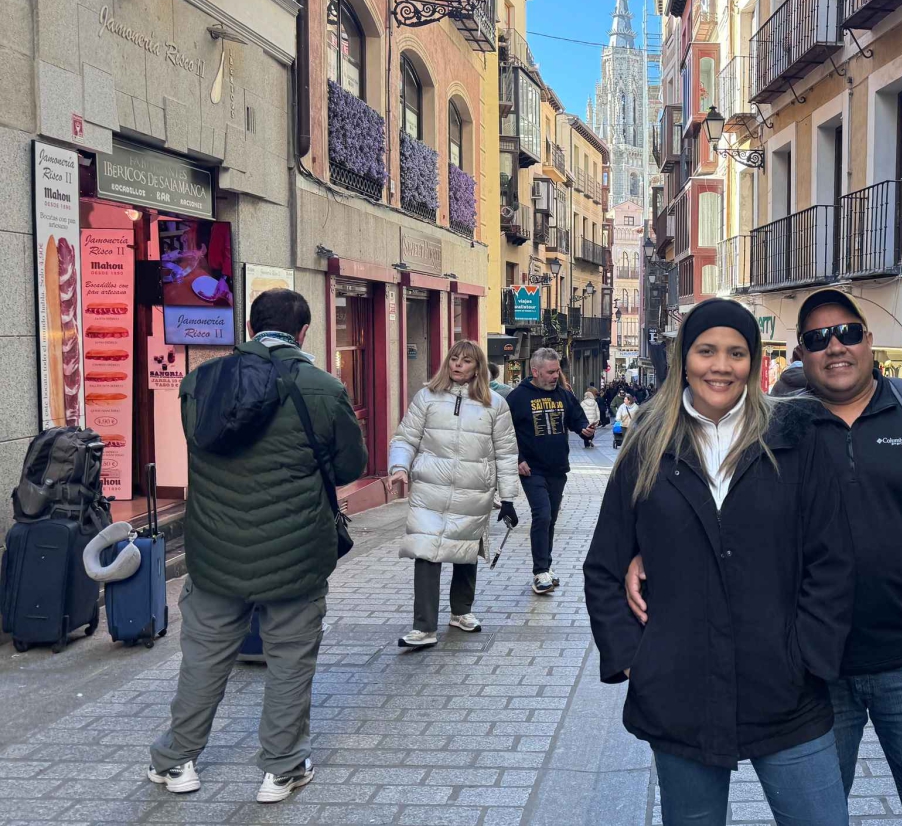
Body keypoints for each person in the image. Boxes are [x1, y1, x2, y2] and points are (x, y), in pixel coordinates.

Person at [631, 290, 902, 825]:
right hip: (815, 670)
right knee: (819, 814)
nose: (835, 347)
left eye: (847, 332)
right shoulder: (773, 428)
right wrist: (645, 554)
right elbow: (706, 507)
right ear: (801, 353)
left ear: (868, 341)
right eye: (817, 338)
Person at [584, 299, 854, 826]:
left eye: (736, 353)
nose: (721, 366)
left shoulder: (794, 436)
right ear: (684, 359)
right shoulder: (647, 442)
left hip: (787, 691)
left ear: (752, 362)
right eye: (706, 351)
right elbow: (604, 566)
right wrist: (639, 660)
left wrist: (809, 657)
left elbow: (832, 559)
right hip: (681, 692)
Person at [149, 289, 366, 804]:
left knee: (203, 658)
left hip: (215, 551)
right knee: (290, 660)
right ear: (304, 332)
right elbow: (350, 466)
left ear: (249, 327)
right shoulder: (323, 387)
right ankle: (281, 769)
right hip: (296, 553)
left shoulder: (201, 381)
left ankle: (177, 761)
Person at [390, 340, 522, 650]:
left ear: (478, 368)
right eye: (453, 359)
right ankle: (423, 628)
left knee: (465, 551)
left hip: (474, 489)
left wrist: (509, 498)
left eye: (465, 361)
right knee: (426, 552)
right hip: (430, 488)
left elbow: (506, 453)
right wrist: (400, 466)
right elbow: (406, 437)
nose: (457, 365)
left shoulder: (495, 405)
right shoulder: (427, 397)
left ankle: (461, 611)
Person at [507, 348, 596, 594]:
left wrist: (585, 430)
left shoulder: (563, 394)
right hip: (531, 470)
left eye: (557, 370)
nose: (556, 375)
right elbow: (504, 433)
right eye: (550, 372)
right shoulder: (517, 397)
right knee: (542, 515)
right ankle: (540, 572)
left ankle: (546, 565)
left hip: (558, 468)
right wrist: (517, 459)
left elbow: (576, 419)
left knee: (551, 519)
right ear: (535, 371)